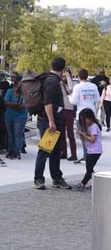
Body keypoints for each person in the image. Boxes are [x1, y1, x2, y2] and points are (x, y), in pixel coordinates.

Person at [34, 57, 72, 190]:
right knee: (44, 150)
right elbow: (47, 102)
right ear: (63, 69)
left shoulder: (50, 79)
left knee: (55, 151)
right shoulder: (52, 81)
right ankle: (38, 179)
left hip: (52, 121)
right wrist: (51, 121)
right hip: (49, 122)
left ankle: (56, 178)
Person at [70, 68, 101, 163]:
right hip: (91, 113)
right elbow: (97, 99)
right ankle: (90, 154)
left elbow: (74, 101)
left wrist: (69, 97)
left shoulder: (77, 87)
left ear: (78, 76)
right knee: (92, 135)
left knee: (83, 136)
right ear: (87, 76)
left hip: (81, 114)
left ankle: (86, 156)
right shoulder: (93, 86)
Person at [73, 108, 103, 191]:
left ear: (90, 117)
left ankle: (83, 183)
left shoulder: (94, 126)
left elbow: (93, 139)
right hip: (91, 150)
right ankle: (96, 182)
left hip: (95, 151)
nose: (84, 122)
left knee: (89, 169)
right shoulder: (89, 126)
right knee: (90, 168)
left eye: (85, 119)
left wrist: (83, 134)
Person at [3, 77, 27, 160]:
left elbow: (22, 105)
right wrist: (15, 104)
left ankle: (17, 153)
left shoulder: (24, 93)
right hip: (9, 115)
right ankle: (10, 151)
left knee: (17, 135)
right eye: (20, 84)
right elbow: (6, 101)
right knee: (10, 135)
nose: (21, 86)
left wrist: (13, 104)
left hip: (21, 116)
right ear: (16, 84)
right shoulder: (10, 91)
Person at [59, 68, 77, 161]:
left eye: (65, 76)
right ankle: (64, 152)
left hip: (69, 110)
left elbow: (70, 90)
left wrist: (68, 77)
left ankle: (74, 154)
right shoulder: (59, 84)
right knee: (61, 133)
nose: (64, 78)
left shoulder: (72, 84)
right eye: (63, 76)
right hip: (61, 110)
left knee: (70, 133)